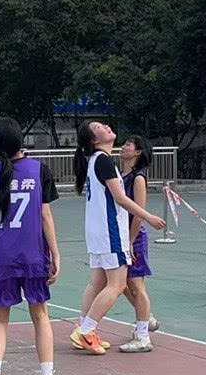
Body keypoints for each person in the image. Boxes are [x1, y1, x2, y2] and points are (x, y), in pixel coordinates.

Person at [0, 117, 65, 375]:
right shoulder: (39, 169)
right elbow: (45, 215)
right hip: (33, 253)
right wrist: (55, 253)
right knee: (40, 315)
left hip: (2, 254)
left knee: (0, 316)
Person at [71, 119, 167, 354]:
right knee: (117, 285)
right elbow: (120, 198)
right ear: (94, 140)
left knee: (97, 282)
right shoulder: (103, 161)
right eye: (98, 128)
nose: (105, 127)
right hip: (110, 232)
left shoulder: (96, 161)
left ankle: (82, 328)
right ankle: (87, 331)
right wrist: (149, 217)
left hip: (97, 232)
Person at [118, 135, 159, 350]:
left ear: (137, 152)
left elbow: (139, 214)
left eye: (128, 145)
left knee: (136, 284)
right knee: (120, 283)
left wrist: (131, 241)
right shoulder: (119, 175)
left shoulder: (138, 178)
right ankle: (146, 317)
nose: (123, 147)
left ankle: (143, 336)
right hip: (120, 236)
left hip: (134, 237)